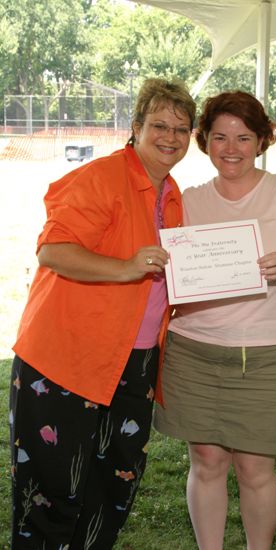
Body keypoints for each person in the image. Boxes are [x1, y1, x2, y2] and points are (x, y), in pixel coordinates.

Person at [9, 77, 195, 549]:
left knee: (114, 485)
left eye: (181, 128)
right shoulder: (100, 178)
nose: (170, 137)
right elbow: (54, 251)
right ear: (135, 126)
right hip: (67, 360)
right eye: (159, 125)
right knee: (53, 492)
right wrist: (126, 268)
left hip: (134, 364)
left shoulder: (171, 195)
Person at [154, 90, 276, 550]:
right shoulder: (186, 199)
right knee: (206, 462)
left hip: (269, 354)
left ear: (262, 141)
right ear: (204, 141)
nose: (231, 149)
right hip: (194, 350)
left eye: (243, 137)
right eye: (219, 137)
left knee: (255, 469)